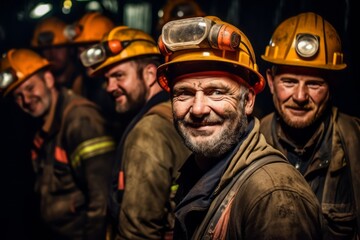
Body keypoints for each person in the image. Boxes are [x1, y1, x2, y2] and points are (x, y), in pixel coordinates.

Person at [155, 15, 324, 239]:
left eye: (216, 92)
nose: (198, 109)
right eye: (184, 93)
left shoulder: (274, 195)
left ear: (248, 101)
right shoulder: (198, 172)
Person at [80, 26, 191, 239]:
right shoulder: (176, 112)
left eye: (119, 76)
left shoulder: (148, 132)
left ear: (150, 74)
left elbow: (138, 231)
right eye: (107, 79)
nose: (110, 87)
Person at [260, 12, 360, 239]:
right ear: (270, 82)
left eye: (314, 84)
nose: (300, 96)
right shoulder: (247, 145)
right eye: (289, 81)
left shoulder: (355, 142)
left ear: (332, 86)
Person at [0, 48, 116, 240]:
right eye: (18, 96)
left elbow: (101, 199)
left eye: (30, 88)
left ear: (48, 79)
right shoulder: (45, 126)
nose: (26, 100)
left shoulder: (80, 120)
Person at [65, 11, 124, 140]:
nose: (83, 57)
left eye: (89, 49)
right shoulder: (82, 82)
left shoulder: (119, 84)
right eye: (80, 50)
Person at [31, 16, 83, 95]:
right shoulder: (43, 90)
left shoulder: (89, 83)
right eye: (46, 48)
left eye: (58, 47)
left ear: (71, 49)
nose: (51, 53)